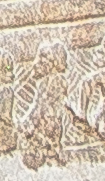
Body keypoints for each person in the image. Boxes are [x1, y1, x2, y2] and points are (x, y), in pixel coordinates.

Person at [16, 40, 69, 170]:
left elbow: (43, 107)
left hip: (48, 123)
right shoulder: (46, 82)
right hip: (44, 123)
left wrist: (31, 124)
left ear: (53, 63)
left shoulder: (55, 80)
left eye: (42, 59)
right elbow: (38, 105)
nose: (36, 63)